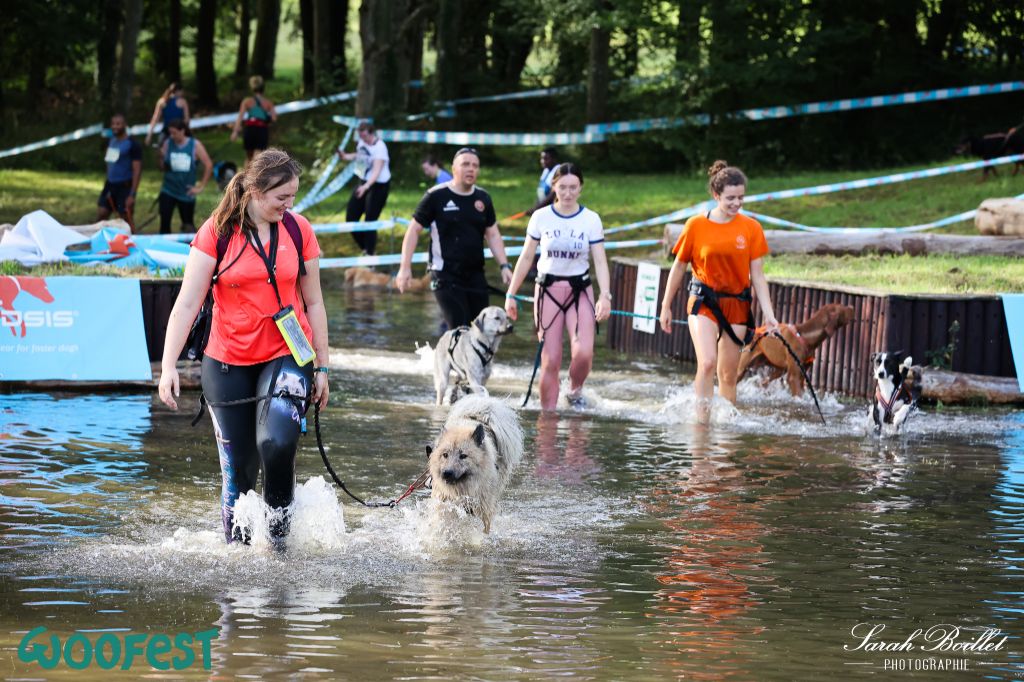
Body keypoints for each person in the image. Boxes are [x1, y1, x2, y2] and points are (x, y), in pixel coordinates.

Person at [157, 149, 330, 546]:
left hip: (289, 352)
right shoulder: (216, 233)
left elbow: (315, 303)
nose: (289, 206)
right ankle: (238, 559)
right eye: (281, 198)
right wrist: (168, 366)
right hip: (227, 360)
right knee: (239, 471)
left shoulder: (298, 230)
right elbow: (185, 303)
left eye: (293, 197)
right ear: (254, 189)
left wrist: (322, 367)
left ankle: (279, 547)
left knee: (277, 442)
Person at [658, 160, 778, 424]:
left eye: (741, 198)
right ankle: (701, 425)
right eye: (730, 198)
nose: (736, 204)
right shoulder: (695, 225)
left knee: (727, 374)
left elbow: (757, 275)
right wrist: (666, 305)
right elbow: (678, 267)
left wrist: (769, 315)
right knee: (708, 363)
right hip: (703, 301)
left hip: (736, 303)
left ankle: (724, 430)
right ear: (716, 195)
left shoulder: (751, 228)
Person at [504, 163, 611, 410]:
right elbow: (526, 258)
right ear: (554, 187)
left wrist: (605, 296)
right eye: (562, 187)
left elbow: (600, 261)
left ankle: (574, 392)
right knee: (550, 359)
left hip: (580, 290)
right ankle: (548, 420)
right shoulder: (541, 217)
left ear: (581, 188)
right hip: (547, 291)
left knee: (583, 353)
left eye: (573, 187)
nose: (568, 193)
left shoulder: (590, 219)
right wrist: (511, 294)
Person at [395, 147, 514, 329]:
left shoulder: (483, 198)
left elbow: (492, 234)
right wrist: (405, 268)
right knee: (460, 329)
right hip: (445, 275)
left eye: (475, 165)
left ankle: (458, 357)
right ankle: (448, 355)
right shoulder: (436, 196)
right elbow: (413, 231)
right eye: (465, 164)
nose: (471, 169)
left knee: (483, 331)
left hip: (475, 274)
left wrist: (504, 265)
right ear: (453, 169)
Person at [338, 122, 391, 255]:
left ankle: (370, 255)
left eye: (365, 135)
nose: (363, 138)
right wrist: (345, 156)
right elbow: (360, 156)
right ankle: (366, 249)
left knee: (370, 221)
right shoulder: (362, 143)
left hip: (378, 185)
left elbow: (376, 171)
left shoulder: (380, 147)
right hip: (363, 182)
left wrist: (366, 187)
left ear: (371, 133)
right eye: (360, 135)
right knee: (351, 218)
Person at [157, 119, 213, 234]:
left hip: (186, 192)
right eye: (170, 133)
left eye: (174, 133)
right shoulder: (168, 143)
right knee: (164, 224)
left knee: (188, 226)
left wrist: (200, 187)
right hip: (168, 189)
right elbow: (162, 167)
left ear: (182, 131)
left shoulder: (194, 145)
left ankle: (188, 250)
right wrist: (160, 157)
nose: (172, 136)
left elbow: (209, 164)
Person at [97, 113, 143, 231]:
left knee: (125, 220)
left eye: (118, 124)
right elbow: (109, 162)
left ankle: (130, 243)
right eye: (113, 124)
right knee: (102, 214)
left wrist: (132, 194)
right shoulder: (111, 141)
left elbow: (137, 170)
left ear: (124, 125)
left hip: (125, 187)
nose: (115, 126)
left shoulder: (132, 144)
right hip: (110, 185)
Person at [231, 75, 277, 164]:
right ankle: (256, 176)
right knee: (259, 158)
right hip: (262, 130)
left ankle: (247, 176)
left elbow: (240, 117)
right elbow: (274, 118)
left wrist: (235, 132)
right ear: (263, 88)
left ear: (252, 88)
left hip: (250, 130)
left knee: (249, 158)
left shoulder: (247, 101)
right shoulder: (268, 103)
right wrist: (267, 120)